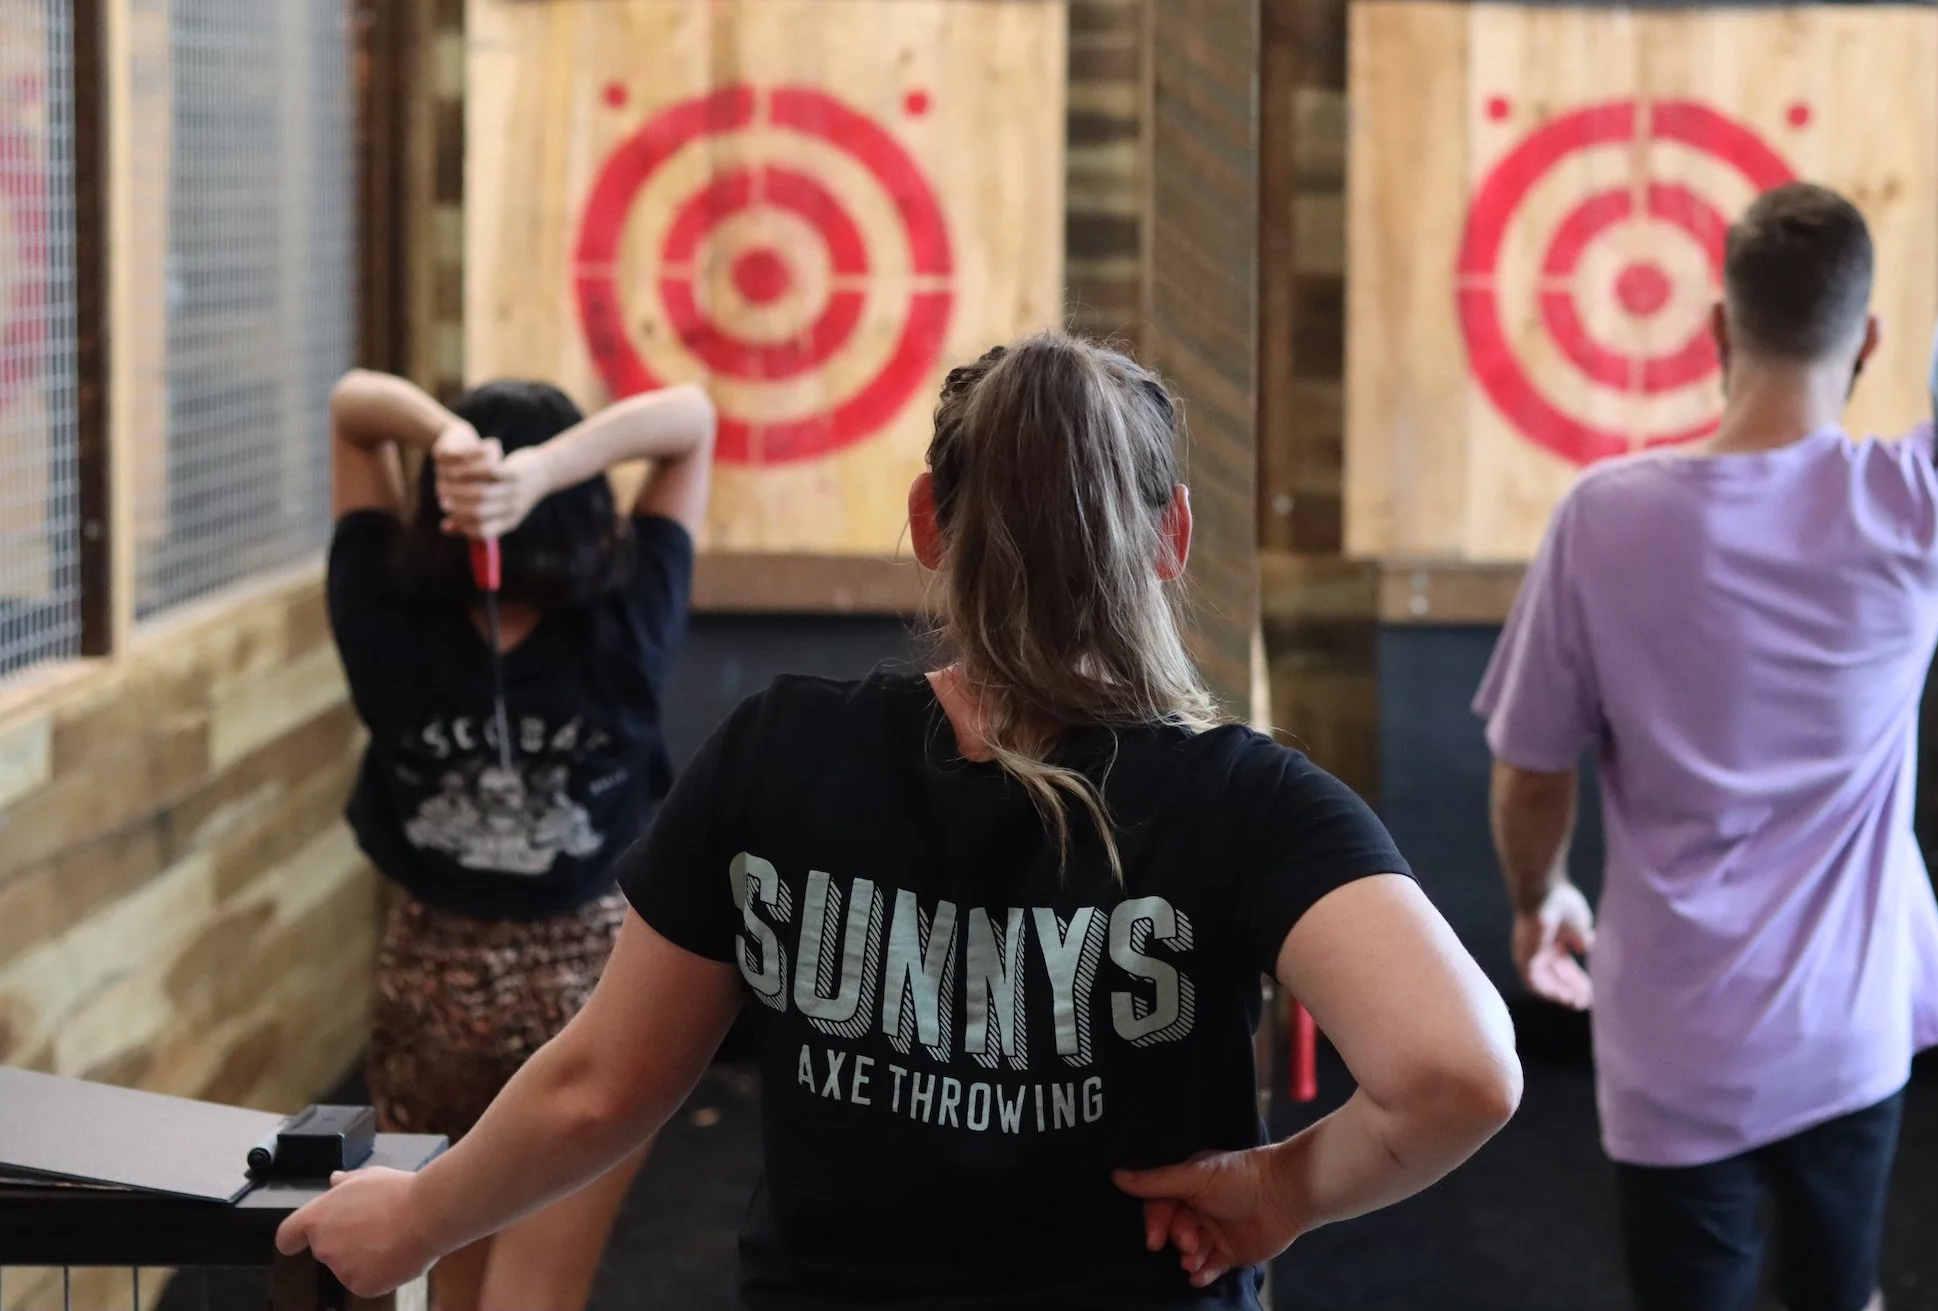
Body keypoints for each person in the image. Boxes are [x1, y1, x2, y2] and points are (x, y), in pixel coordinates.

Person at [283, 335, 1523, 1309]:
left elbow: (601, 1087)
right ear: (1172, 540)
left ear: (929, 523)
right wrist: (1277, 1193)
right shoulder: (1249, 799)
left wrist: (419, 1220)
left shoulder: (779, 751)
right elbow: (1458, 1072)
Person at [1478, 90, 1938, 1311]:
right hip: (1845, 1036)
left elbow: (1532, 771)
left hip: (1669, 1046)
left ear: (1713, 328)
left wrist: (1538, 903)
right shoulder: (1921, 505)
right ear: (1864, 348)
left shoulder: (1603, 520)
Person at [321, 368, 717, 1311]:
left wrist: (443, 437)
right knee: (535, 1294)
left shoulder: (385, 615)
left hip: (429, 989)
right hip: (590, 1006)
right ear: (589, 509)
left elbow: (351, 410)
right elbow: (691, 421)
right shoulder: (628, 622)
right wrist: (550, 468)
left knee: (445, 1285)